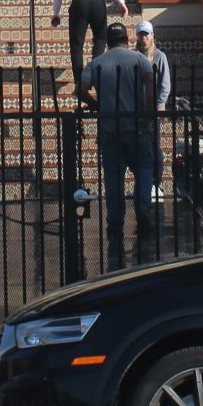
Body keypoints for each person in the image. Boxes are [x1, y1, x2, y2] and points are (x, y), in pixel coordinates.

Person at [81, 19, 163, 263]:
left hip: (110, 129)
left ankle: (115, 222)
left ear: (107, 41)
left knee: (113, 179)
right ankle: (143, 207)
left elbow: (80, 89)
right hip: (137, 128)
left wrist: (97, 105)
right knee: (144, 170)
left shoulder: (96, 63)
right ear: (127, 40)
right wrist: (146, 114)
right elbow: (150, 85)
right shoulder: (139, 60)